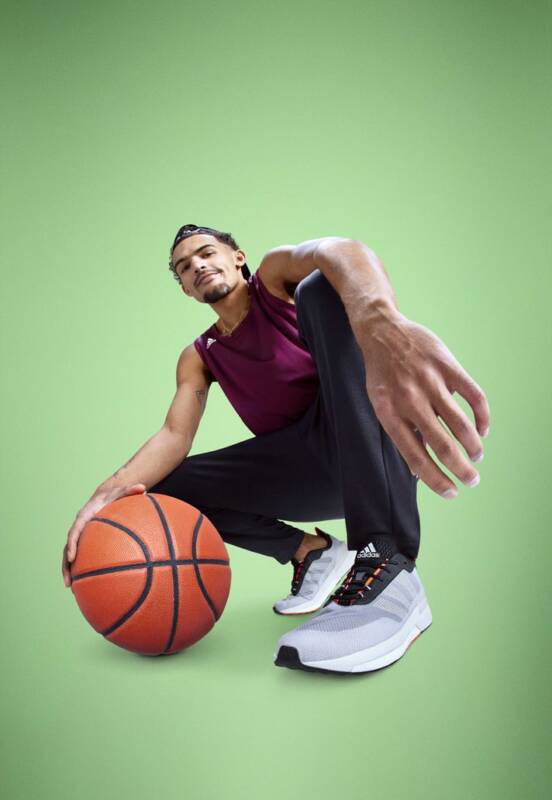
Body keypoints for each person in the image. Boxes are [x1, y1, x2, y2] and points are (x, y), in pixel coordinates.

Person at [62, 224, 490, 674]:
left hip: (372, 437)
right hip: (310, 469)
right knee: (163, 490)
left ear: (238, 257)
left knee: (321, 287)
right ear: (185, 288)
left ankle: (389, 564)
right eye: (184, 267)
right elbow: (174, 435)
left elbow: (340, 250)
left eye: (206, 253)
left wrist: (381, 321)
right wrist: (105, 496)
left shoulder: (273, 281)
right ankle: (309, 551)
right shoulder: (199, 356)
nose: (198, 266)